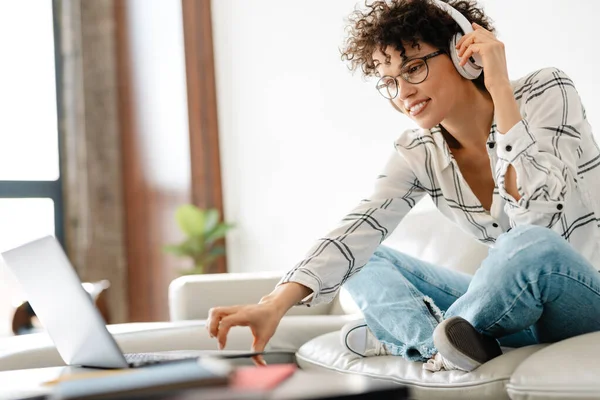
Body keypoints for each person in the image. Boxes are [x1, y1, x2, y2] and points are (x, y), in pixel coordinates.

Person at [207, 0, 600, 372]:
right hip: (510, 309)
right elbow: (358, 227)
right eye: (389, 81)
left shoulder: (547, 91)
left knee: (526, 244)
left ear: (465, 55)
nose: (404, 93)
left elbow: (539, 217)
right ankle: (443, 347)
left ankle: (422, 333)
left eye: (413, 68)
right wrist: (275, 304)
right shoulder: (418, 151)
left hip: (582, 293)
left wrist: (500, 88)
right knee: (366, 261)